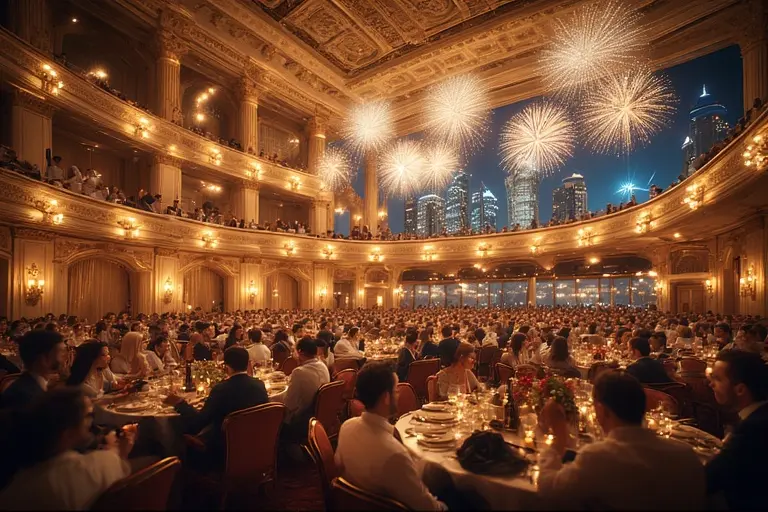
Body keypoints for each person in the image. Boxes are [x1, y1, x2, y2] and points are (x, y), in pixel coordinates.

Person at [537, 370, 706, 510]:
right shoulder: (686, 456)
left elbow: (548, 489)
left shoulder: (599, 458)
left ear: (601, 410)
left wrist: (559, 436)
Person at [335, 362, 446, 511]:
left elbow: (339, 466)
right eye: (396, 390)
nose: (398, 394)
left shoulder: (346, 427)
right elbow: (429, 508)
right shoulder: (394, 454)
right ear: (387, 397)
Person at [0, 388, 135, 510]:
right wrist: (117, 450)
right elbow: (113, 465)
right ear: (67, 433)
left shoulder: (17, 484)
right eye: (88, 416)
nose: (91, 422)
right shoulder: (89, 468)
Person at [164, 347, 267, 467]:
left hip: (224, 450)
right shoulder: (259, 385)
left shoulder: (221, 389)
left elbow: (197, 424)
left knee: (177, 431)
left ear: (227, 366)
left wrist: (180, 403)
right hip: (257, 444)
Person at [705, 350, 768, 509]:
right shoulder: (758, 415)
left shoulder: (752, 429)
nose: (710, 384)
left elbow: (708, 480)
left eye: (717, 379)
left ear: (740, 389)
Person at [272, 337, 329, 435]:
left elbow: (289, 404)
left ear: (300, 353)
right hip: (319, 414)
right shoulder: (322, 365)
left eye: (294, 351)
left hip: (302, 419)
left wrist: (271, 399)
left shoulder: (299, 372)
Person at [1, 330, 67, 409]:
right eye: (61, 352)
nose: (66, 357)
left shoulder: (36, 385)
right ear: (44, 359)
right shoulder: (26, 398)